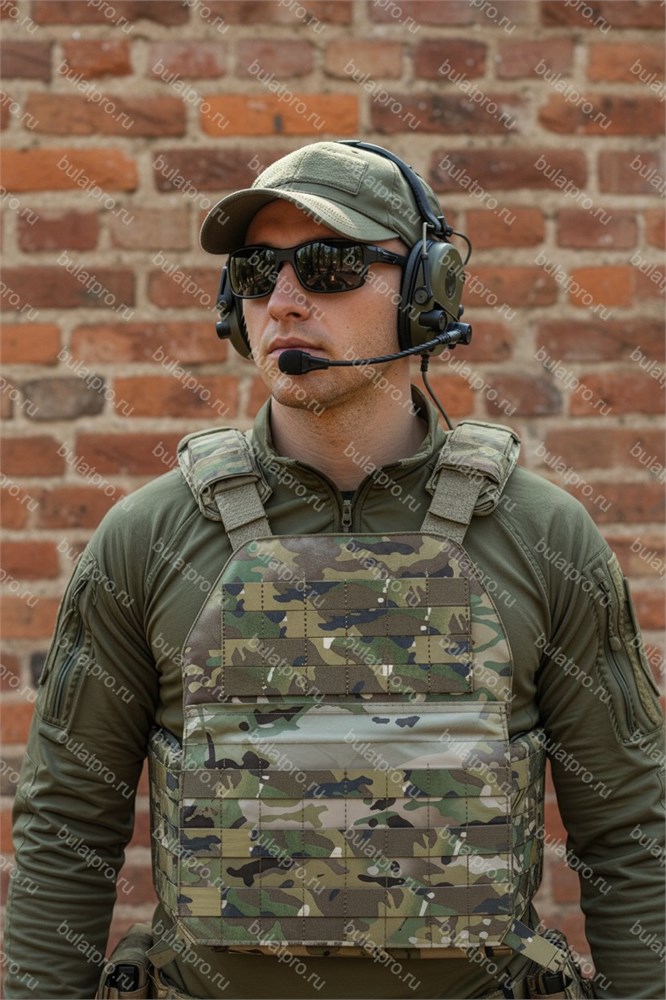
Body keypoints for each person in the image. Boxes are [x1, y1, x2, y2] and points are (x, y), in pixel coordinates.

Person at [4, 140, 664, 1000]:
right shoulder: (149, 538)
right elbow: (66, 828)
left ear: (427, 293)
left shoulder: (543, 536)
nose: (283, 299)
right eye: (255, 272)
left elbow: (631, 831)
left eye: (329, 266)